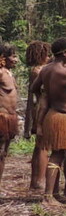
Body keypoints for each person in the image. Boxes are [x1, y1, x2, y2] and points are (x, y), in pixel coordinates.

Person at [30, 38, 66, 205]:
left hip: (51, 114)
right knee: (58, 155)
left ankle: (55, 192)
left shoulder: (45, 70)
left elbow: (34, 88)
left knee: (58, 154)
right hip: (63, 117)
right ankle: (48, 195)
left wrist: (45, 96)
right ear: (64, 53)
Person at [24, 41, 51, 191]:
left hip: (39, 106)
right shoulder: (38, 71)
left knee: (39, 146)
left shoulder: (37, 70)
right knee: (43, 145)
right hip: (41, 107)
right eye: (47, 54)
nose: (49, 57)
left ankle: (36, 180)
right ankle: (40, 180)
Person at [0, 43, 20, 192]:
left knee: (3, 154)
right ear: (3, 58)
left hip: (9, 118)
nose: (16, 60)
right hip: (1, 117)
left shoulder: (8, 73)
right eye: (13, 56)